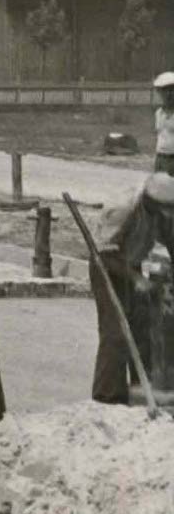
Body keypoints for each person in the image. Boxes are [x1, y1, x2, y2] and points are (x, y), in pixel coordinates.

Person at [91, 173, 174, 404]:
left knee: (144, 329)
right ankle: (107, 397)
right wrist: (136, 279)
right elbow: (105, 254)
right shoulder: (123, 208)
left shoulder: (164, 211)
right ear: (150, 202)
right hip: (107, 266)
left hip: (132, 263)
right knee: (116, 333)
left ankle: (142, 393)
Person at [153, 72, 174, 175]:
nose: (169, 94)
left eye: (172, 90)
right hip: (161, 158)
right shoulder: (158, 113)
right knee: (159, 188)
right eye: (165, 90)